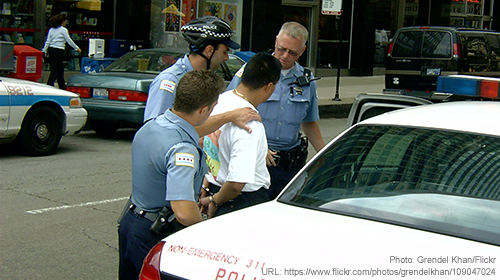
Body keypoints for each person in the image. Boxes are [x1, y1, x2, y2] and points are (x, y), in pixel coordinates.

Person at [118, 70, 225, 280]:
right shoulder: (182, 149)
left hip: (131, 222)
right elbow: (183, 211)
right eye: (212, 109)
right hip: (154, 232)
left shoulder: (153, 125)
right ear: (204, 110)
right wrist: (207, 230)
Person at [227, 22, 325, 200]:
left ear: (302, 51)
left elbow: (310, 122)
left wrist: (324, 156)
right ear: (275, 42)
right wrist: (260, 145)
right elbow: (229, 108)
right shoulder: (254, 70)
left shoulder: (307, 80)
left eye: (292, 52)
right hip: (256, 161)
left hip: (288, 166)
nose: (285, 56)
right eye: (282, 49)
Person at [144, 16, 258, 136]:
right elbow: (155, 132)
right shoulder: (170, 80)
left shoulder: (204, 79)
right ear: (209, 51)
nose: (226, 58)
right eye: (224, 52)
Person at [199, 52, 282, 218]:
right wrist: (215, 202)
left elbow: (206, 144)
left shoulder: (219, 101)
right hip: (240, 202)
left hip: (217, 189)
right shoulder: (249, 122)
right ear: (269, 87)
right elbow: (237, 184)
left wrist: (207, 185)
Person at [42, 13, 81, 90]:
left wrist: (44, 50)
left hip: (51, 49)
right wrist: (76, 48)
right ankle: (49, 84)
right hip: (59, 50)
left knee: (59, 68)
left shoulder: (51, 30)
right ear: (62, 21)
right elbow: (69, 40)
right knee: (55, 68)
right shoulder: (63, 30)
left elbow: (48, 41)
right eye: (65, 21)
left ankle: (62, 85)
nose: (66, 22)